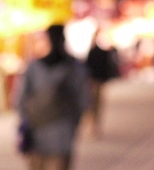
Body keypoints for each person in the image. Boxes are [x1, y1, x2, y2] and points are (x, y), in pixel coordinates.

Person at [18, 25, 90, 170]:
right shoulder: (75, 67)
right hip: (63, 128)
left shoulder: (34, 67)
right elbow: (83, 100)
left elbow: (21, 100)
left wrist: (27, 120)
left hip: (38, 127)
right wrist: (76, 121)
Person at [83, 32, 119, 138]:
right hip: (98, 80)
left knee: (93, 103)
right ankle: (94, 124)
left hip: (93, 80)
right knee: (97, 102)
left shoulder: (93, 52)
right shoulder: (102, 53)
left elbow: (87, 67)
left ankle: (93, 123)